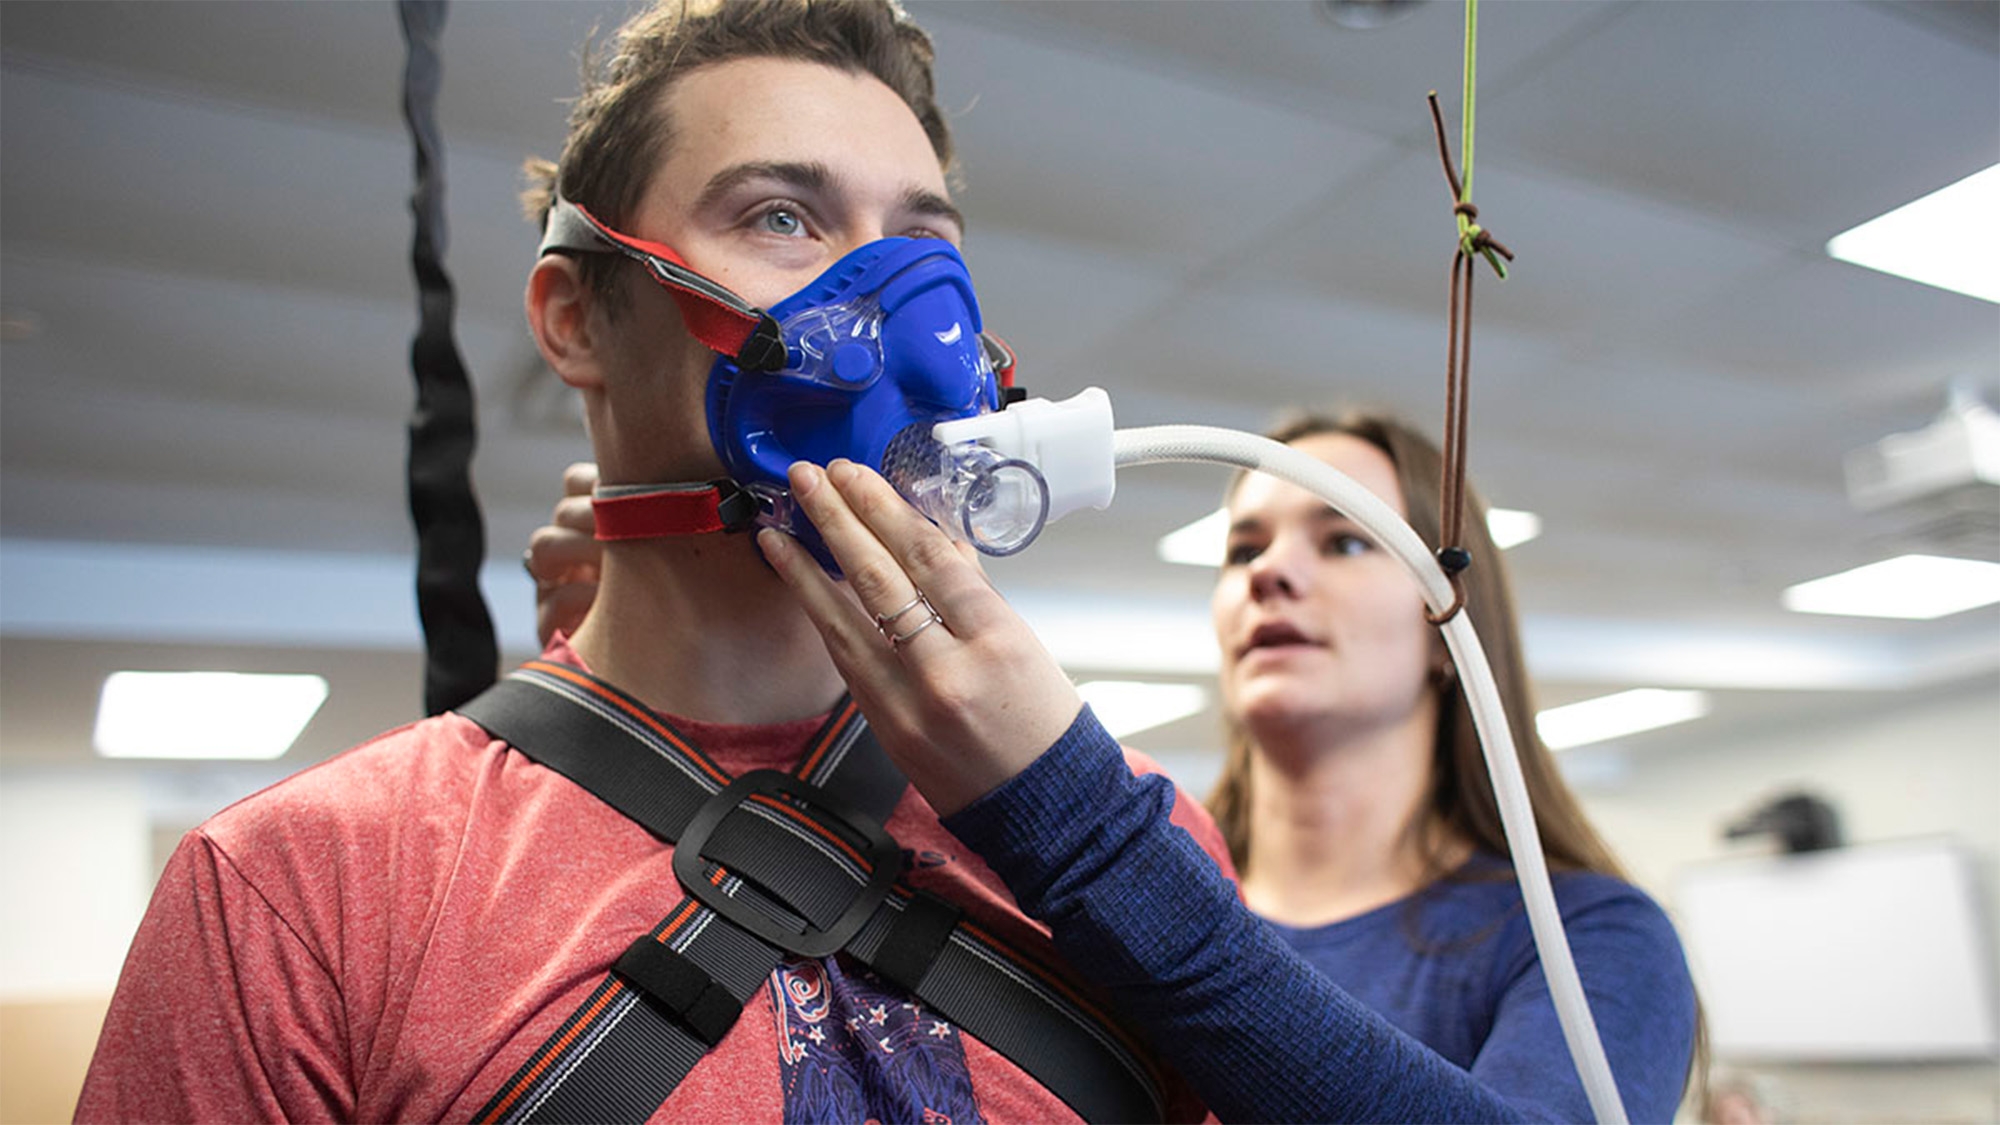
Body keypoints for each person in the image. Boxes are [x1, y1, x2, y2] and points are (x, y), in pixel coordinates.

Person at [75, 3, 1230, 1122]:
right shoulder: (301, 893)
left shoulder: (1129, 847)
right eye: (782, 217)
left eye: (923, 244)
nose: (898, 309)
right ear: (574, 318)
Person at [530, 410, 1700, 1122]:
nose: (1268, 573)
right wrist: (660, 637)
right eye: (1242, 546)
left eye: (1342, 539)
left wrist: (1074, 819)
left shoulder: (1584, 939)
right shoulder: (1139, 864)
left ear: (1449, 627)